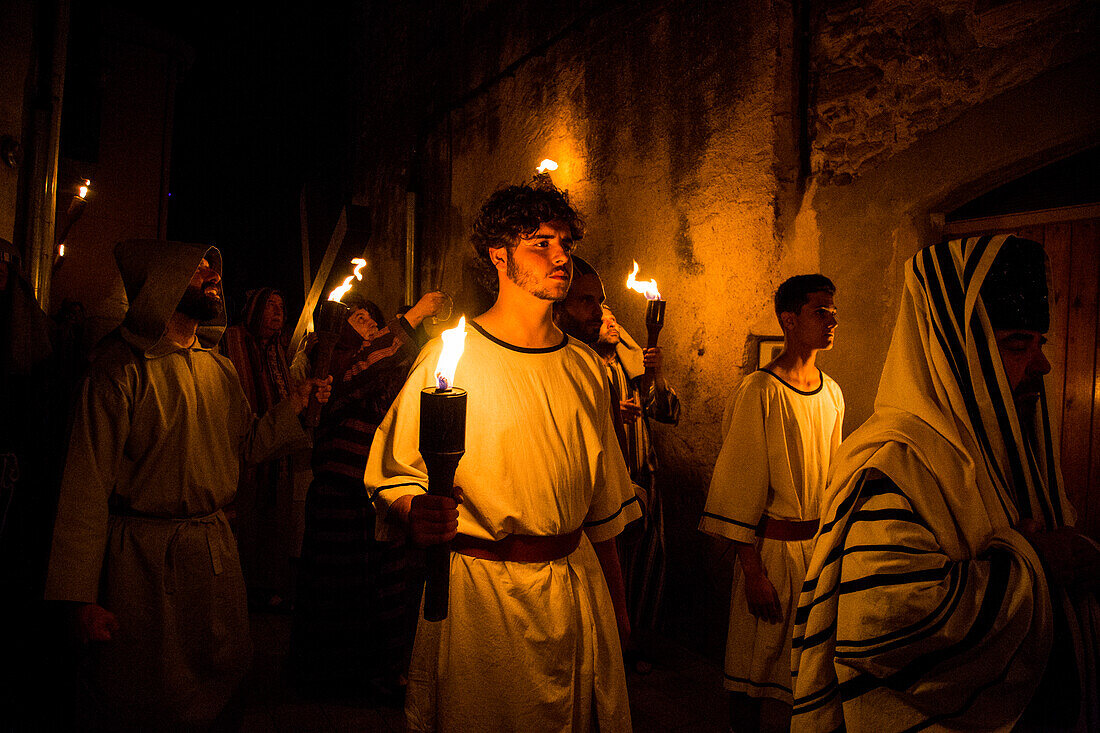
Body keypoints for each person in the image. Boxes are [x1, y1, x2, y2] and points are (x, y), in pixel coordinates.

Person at [791, 235, 1100, 732]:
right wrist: (1033, 561)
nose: (1042, 365)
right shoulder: (896, 464)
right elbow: (886, 626)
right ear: (954, 348)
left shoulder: (998, 447)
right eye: (1018, 343)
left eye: (1040, 343)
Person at [365, 182, 640, 732]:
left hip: (574, 591)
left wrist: (618, 609)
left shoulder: (586, 368)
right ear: (499, 254)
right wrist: (413, 510)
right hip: (481, 600)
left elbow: (604, 511)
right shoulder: (451, 359)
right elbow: (393, 475)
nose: (561, 256)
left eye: (564, 242)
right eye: (541, 243)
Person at [44, 240, 331, 730]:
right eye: (198, 271)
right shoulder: (120, 369)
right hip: (141, 563)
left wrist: (295, 404)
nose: (213, 279)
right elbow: (84, 487)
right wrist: (80, 597)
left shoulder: (217, 367)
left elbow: (245, 445)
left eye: (214, 271)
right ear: (162, 283)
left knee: (219, 678)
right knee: (147, 693)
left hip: (214, 553)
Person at [700, 274, 844, 733]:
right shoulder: (760, 392)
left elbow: (834, 477)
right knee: (753, 669)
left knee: (809, 670)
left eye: (833, 312)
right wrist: (753, 572)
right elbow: (738, 488)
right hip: (773, 554)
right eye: (821, 311)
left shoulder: (832, 393)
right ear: (789, 319)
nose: (831, 321)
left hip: (817, 552)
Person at [290, 288, 447, 702]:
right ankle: (326, 676)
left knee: (386, 589)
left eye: (370, 317)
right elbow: (363, 370)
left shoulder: (386, 361)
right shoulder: (332, 365)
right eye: (355, 318)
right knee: (335, 591)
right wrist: (413, 315)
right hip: (338, 499)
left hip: (380, 495)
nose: (367, 324)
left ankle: (381, 669)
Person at [555, 259, 681, 672]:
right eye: (591, 305)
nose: (603, 318)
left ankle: (631, 639)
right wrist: (612, 418)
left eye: (605, 308)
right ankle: (613, 648)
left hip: (641, 478)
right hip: (602, 492)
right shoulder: (581, 366)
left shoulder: (629, 371)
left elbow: (666, 411)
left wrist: (655, 377)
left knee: (644, 566)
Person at [221, 287, 309, 611]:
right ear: (254, 309)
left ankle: (267, 586)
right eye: (269, 306)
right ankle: (243, 590)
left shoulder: (276, 350)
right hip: (243, 457)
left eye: (281, 307)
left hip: (277, 458)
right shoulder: (231, 343)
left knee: (275, 525)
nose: (277, 313)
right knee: (247, 527)